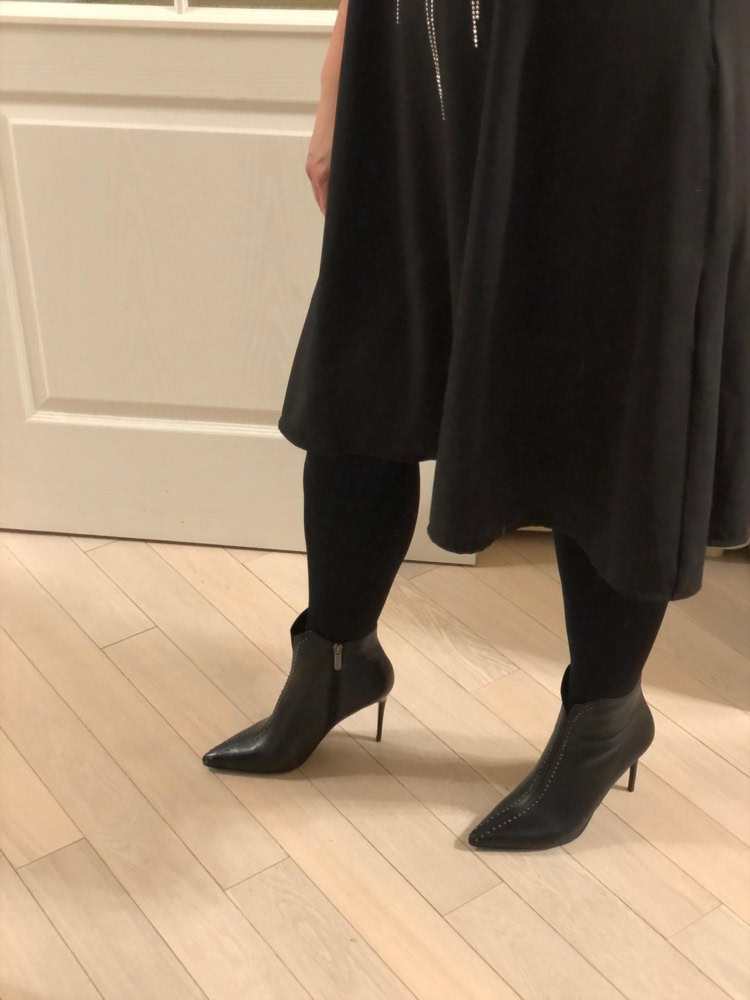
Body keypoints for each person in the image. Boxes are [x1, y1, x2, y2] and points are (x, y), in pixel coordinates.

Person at [203, 0, 749, 851]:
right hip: (418, 36)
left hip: (629, 46)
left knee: (606, 363)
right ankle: (334, 664)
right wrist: (339, 71)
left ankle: (603, 715)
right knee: (372, 343)